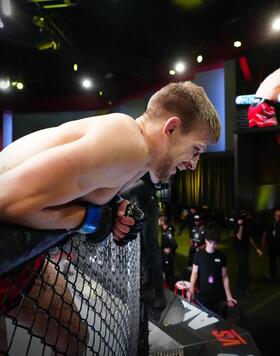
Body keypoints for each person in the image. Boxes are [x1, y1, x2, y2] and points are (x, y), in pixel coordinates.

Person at [0, 81, 221, 353]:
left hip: (21, 261)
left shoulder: (134, 158)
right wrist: (92, 219)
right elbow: (4, 200)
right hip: (9, 251)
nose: (193, 164)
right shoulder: (127, 142)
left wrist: (110, 210)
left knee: (74, 339)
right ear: (171, 128)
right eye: (196, 150)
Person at [187, 222, 237, 316]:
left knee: (220, 325)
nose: (213, 246)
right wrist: (191, 289)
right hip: (203, 296)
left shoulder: (222, 256)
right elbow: (194, 273)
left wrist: (229, 296)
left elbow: (225, 276)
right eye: (211, 242)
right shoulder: (198, 255)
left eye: (215, 243)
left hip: (219, 297)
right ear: (206, 240)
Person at [233, 211, 262, 298]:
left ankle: (239, 287)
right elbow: (239, 236)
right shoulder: (236, 226)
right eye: (242, 218)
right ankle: (245, 290)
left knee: (242, 269)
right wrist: (240, 226)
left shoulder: (245, 226)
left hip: (246, 250)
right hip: (240, 251)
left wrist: (256, 248)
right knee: (246, 270)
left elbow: (248, 237)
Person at [262, 208, 280, 279]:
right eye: (276, 215)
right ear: (274, 215)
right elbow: (264, 233)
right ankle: (273, 274)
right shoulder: (269, 222)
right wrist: (263, 242)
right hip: (271, 245)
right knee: (272, 260)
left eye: (279, 215)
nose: (278, 216)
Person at [160, 216, 177, 290]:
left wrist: (169, 249)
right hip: (164, 254)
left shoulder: (168, 232)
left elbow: (175, 245)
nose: (158, 221)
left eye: (160, 220)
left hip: (168, 256)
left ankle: (171, 286)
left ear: (163, 222)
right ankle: (167, 284)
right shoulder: (164, 230)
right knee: (166, 270)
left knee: (169, 271)